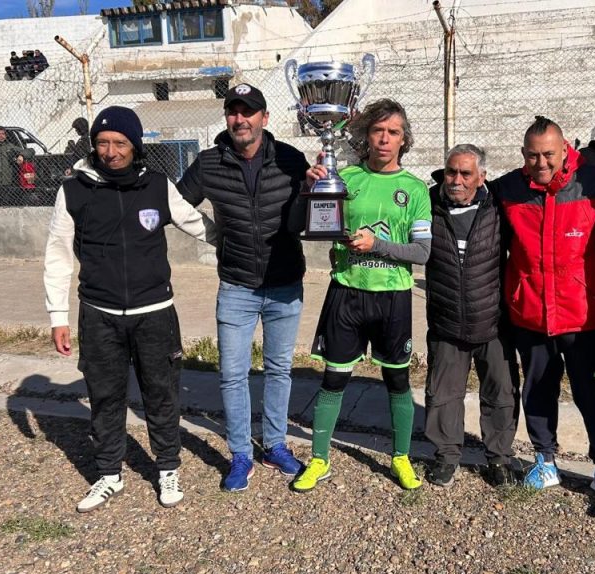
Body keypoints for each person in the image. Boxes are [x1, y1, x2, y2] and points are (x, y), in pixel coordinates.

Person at [44, 105, 215, 513]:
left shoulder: (157, 185)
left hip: (155, 311)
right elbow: (57, 255)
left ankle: (167, 467)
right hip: (99, 313)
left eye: (119, 142)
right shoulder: (73, 190)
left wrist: (241, 245)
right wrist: (58, 317)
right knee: (104, 395)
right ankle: (108, 475)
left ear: (134, 146)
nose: (111, 150)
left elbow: (196, 223)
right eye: (102, 142)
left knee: (161, 393)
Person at [292, 98, 432, 493]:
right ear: (366, 135)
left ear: (404, 140)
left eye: (393, 132)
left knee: (397, 381)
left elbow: (422, 253)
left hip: (393, 298)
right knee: (334, 380)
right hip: (347, 294)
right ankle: (319, 459)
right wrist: (312, 188)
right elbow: (315, 227)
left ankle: (401, 457)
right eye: (378, 131)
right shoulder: (346, 178)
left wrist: (377, 245)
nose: (385, 139)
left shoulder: (415, 189)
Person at [178, 83, 310, 492]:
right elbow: (176, 204)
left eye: (248, 111)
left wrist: (312, 189)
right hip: (236, 285)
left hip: (285, 283)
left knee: (278, 370)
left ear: (264, 118)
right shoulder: (210, 163)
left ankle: (274, 444)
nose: (240, 119)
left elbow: (304, 218)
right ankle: (240, 454)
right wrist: (213, 234)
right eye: (233, 112)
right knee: (232, 374)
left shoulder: (291, 159)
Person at [491, 116, 595, 498]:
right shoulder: (509, 188)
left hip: (583, 314)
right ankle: (545, 460)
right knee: (538, 389)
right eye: (532, 156)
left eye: (548, 154)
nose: (541, 163)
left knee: (591, 393)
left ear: (566, 151)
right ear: (522, 155)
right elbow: (464, 191)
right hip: (530, 312)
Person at [424, 144, 519, 488]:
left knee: (500, 393)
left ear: (481, 178)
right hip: (446, 320)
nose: (457, 180)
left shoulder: (499, 209)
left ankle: (499, 458)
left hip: (492, 320)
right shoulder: (428, 205)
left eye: (466, 174)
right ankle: (446, 456)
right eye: (451, 172)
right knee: (443, 394)